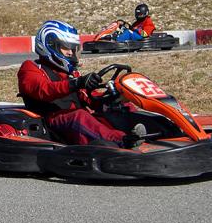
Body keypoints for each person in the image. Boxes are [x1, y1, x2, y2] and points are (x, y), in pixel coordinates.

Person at [17, 20, 146, 148]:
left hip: (74, 118)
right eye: (66, 47)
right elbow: (43, 90)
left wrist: (110, 98)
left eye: (72, 48)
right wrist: (77, 83)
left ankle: (149, 131)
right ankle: (123, 141)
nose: (70, 53)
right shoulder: (30, 68)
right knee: (80, 116)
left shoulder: (69, 73)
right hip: (52, 121)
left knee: (119, 106)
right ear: (51, 45)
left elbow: (87, 96)